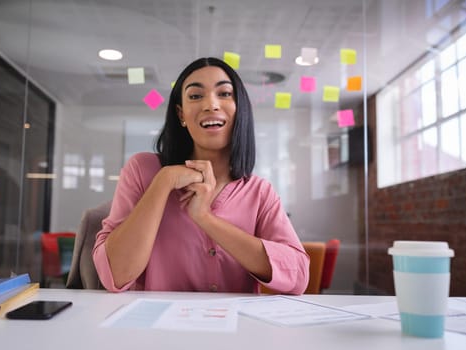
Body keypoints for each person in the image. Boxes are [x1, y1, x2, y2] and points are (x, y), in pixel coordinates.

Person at [93, 57, 310, 294]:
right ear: (181, 114)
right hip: (157, 328)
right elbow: (115, 275)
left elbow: (298, 277)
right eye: (196, 96)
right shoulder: (142, 169)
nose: (211, 105)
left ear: (240, 109)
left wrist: (206, 218)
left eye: (224, 94)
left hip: (238, 328)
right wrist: (163, 182)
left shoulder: (259, 192)